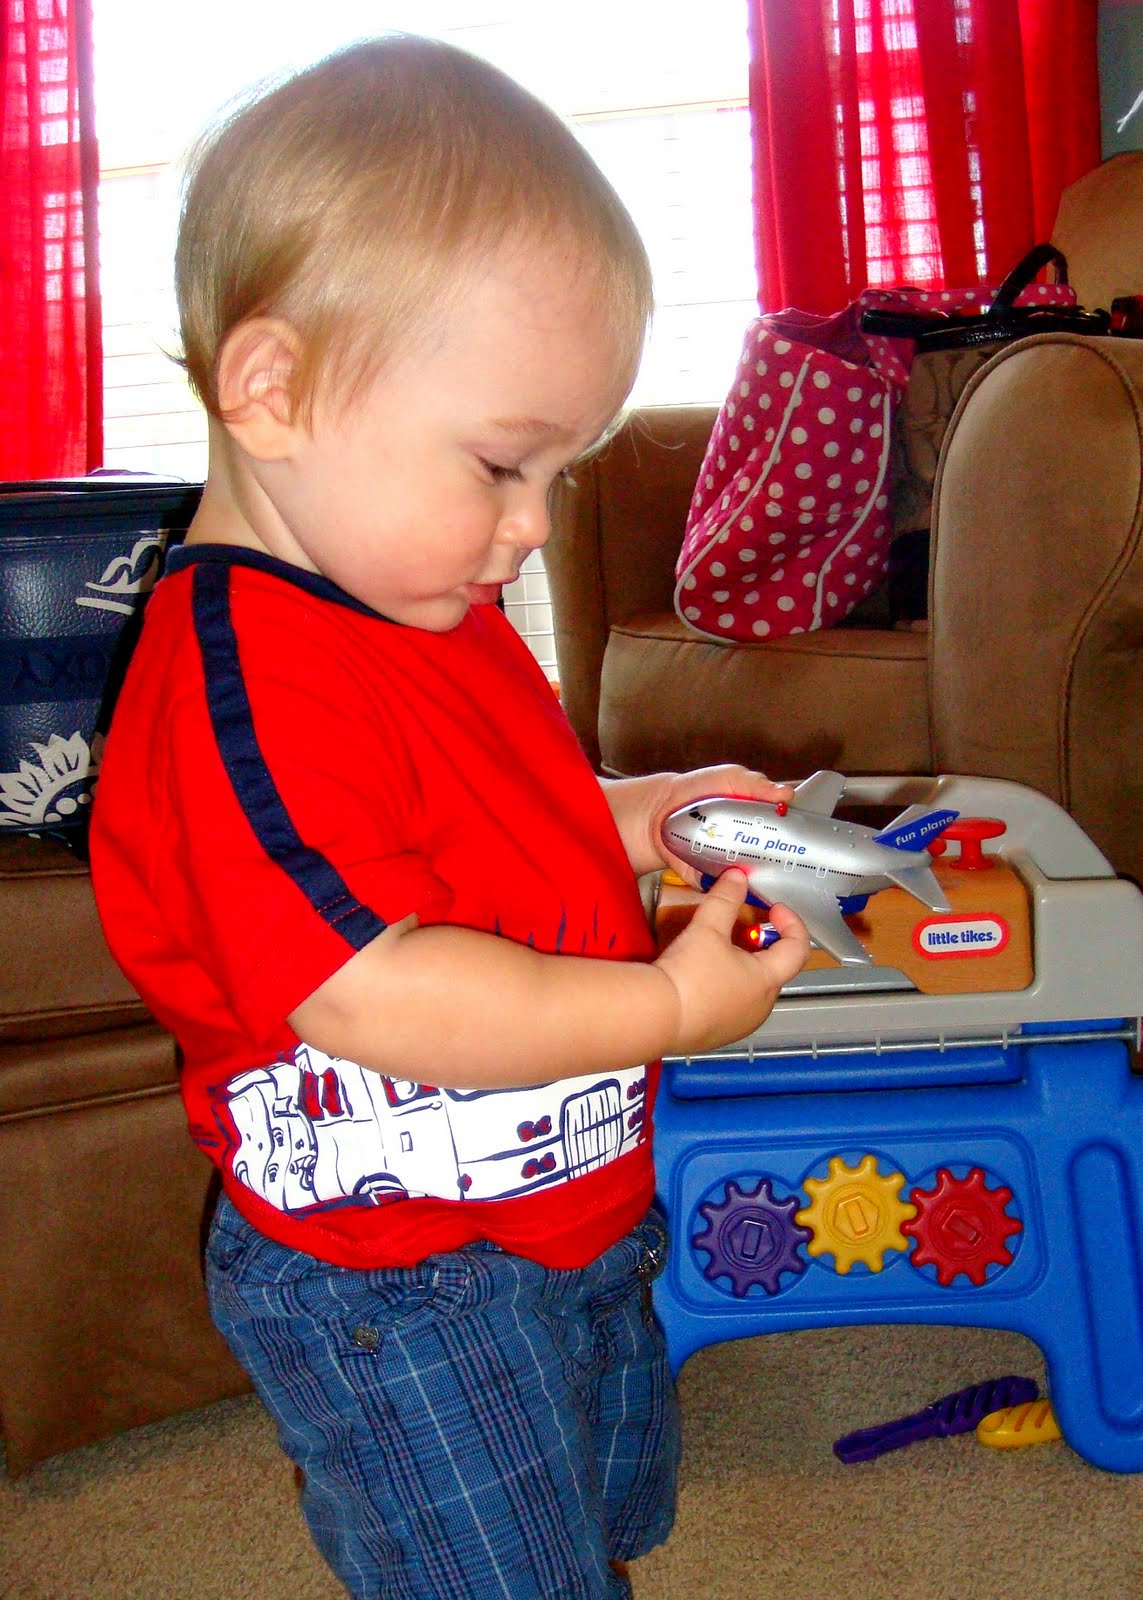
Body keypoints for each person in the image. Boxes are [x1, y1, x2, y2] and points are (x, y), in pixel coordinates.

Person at [89, 34, 810, 1600]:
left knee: (594, 1526)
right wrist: (672, 1007)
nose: (533, 524)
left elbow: (494, 820)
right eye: (501, 463)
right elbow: (371, 987)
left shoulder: (432, 605)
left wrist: (639, 818)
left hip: (563, 1206)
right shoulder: (241, 685)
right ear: (272, 391)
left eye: (557, 473)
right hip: (400, 1274)